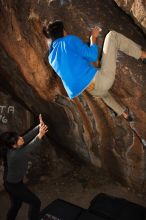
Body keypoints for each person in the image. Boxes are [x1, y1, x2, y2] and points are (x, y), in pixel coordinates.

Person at [43, 20, 146, 121]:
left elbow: (75, 64)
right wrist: (93, 38)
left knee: (104, 93)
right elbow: (92, 56)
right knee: (112, 36)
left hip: (92, 90)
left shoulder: (51, 58)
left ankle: (124, 114)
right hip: (101, 81)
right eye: (64, 30)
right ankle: (143, 55)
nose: (66, 32)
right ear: (62, 32)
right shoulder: (68, 40)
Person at [0, 114, 48, 220]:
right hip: (14, 185)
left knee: (17, 205)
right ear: (13, 145)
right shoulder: (15, 154)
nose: (21, 138)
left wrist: (38, 126)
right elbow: (31, 146)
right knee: (36, 202)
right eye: (18, 139)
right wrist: (40, 134)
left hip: (13, 182)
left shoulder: (13, 147)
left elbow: (27, 137)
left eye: (19, 136)